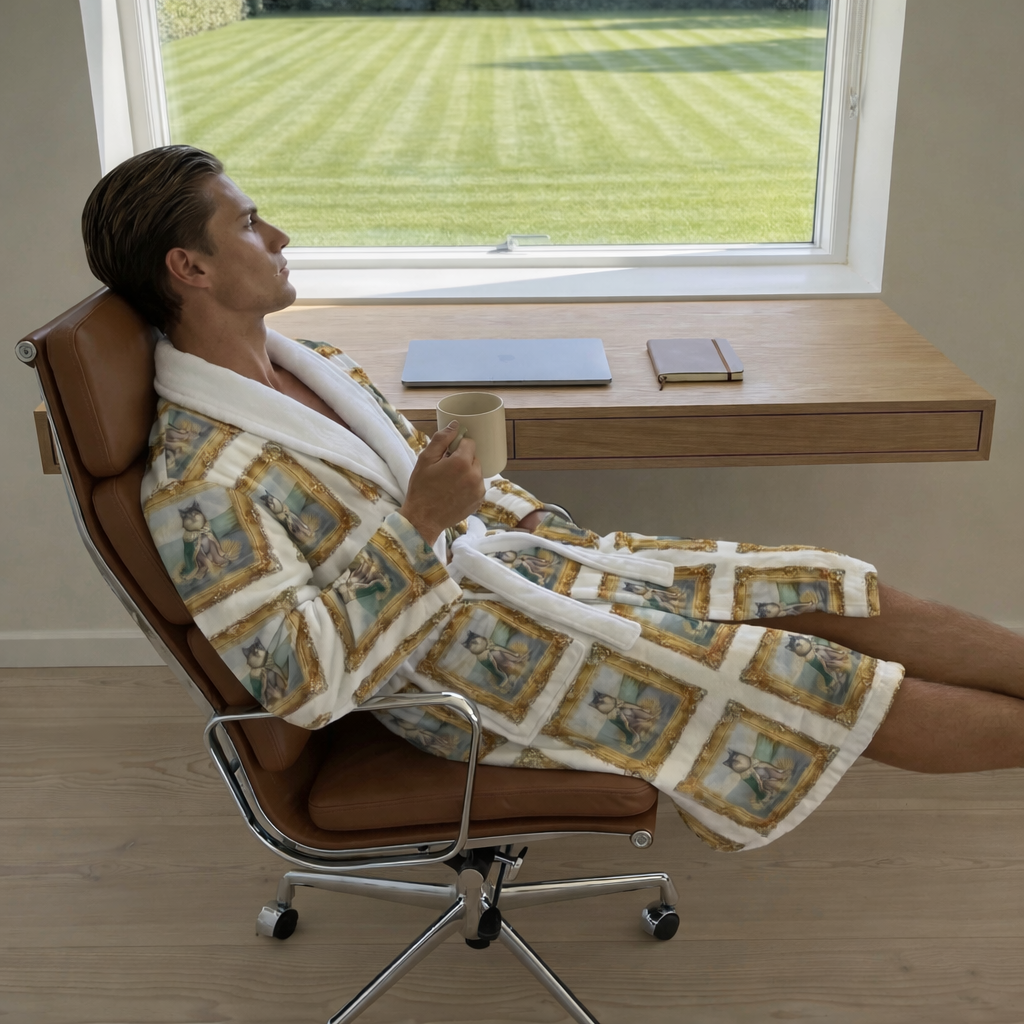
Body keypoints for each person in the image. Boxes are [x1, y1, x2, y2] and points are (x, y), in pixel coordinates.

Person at [80, 145, 1024, 853]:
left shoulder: (312, 364)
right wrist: (422, 521)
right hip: (465, 672)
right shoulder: (199, 483)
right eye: (248, 224)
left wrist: (544, 530)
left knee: (824, 581)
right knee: (811, 677)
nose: (277, 236)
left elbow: (438, 485)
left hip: (543, 572)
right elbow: (299, 685)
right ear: (190, 269)